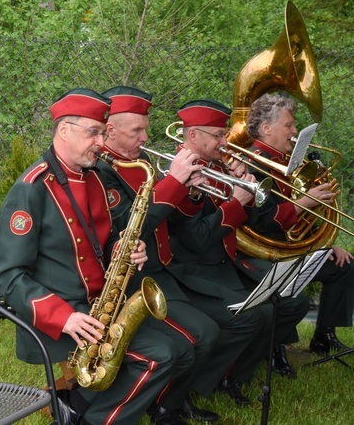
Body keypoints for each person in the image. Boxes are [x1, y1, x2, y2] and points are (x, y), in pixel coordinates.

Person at [0, 88, 194, 425]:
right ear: (64, 131)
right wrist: (64, 318)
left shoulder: (95, 180)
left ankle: (77, 407)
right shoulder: (31, 189)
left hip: (98, 305)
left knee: (175, 350)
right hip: (62, 317)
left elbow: (104, 242)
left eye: (103, 133)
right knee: (156, 358)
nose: (101, 142)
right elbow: (9, 275)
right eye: (94, 132)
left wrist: (126, 249)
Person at [99, 86, 221, 424]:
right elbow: (127, 227)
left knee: (207, 333)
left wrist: (191, 192)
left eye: (145, 127)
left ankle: (170, 402)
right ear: (110, 130)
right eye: (137, 129)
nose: (146, 135)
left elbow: (171, 217)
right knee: (195, 338)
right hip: (133, 280)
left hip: (160, 271)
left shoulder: (141, 162)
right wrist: (174, 183)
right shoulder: (102, 170)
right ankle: (162, 406)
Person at [166, 99, 274, 406]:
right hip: (193, 270)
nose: (224, 141)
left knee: (276, 305)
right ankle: (199, 385)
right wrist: (236, 202)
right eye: (217, 135)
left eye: (223, 133)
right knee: (254, 315)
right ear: (193, 136)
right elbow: (198, 240)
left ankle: (231, 376)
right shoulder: (178, 174)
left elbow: (250, 220)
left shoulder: (216, 166)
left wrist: (247, 189)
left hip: (223, 263)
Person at [241, 92, 354, 355]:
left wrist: (324, 243)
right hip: (266, 251)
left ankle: (324, 335)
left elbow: (298, 220)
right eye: (289, 125)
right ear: (266, 128)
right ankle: (276, 348)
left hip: (292, 248)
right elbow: (261, 223)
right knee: (289, 295)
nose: (294, 131)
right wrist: (305, 202)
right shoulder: (254, 165)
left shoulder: (286, 161)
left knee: (344, 265)